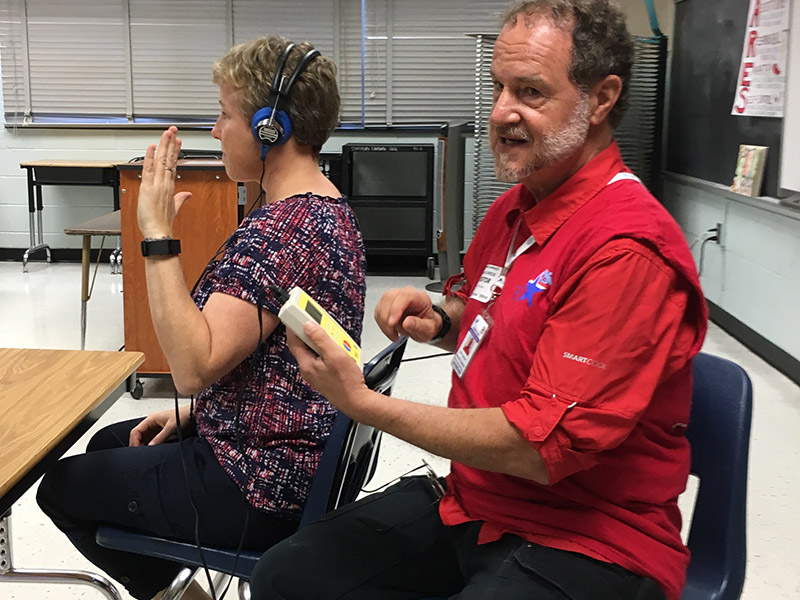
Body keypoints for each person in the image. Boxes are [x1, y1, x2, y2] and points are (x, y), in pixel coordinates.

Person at [249, 2, 708, 600]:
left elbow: (540, 447)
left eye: (531, 92)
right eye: (497, 87)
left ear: (601, 98)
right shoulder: (514, 210)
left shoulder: (626, 251)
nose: (500, 113)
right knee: (288, 578)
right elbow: (492, 312)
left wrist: (364, 404)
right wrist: (440, 317)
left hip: (592, 538)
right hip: (480, 504)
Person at [36, 35, 366, 600]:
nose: (214, 131)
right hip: (298, 460)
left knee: (60, 488)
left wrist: (158, 234)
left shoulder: (279, 234)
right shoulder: (328, 210)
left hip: (259, 486)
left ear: (271, 129)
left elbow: (191, 368)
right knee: (110, 447)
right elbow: (267, 365)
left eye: (224, 114)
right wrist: (198, 416)